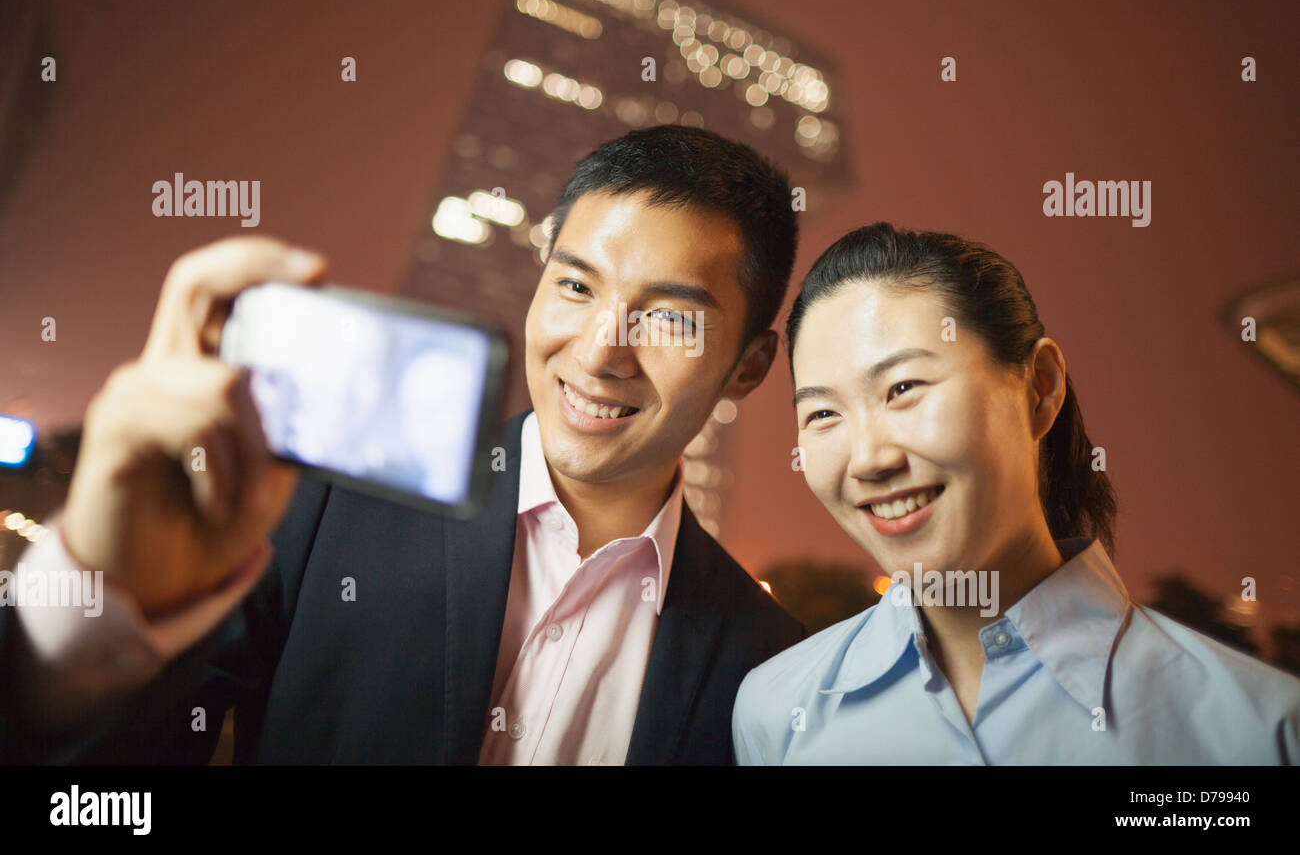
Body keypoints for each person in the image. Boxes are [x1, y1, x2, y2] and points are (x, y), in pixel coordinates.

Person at [0, 125, 805, 765]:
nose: (599, 350)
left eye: (669, 316)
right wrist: (97, 604)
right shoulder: (323, 507)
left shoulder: (768, 670)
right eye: (575, 284)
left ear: (751, 367)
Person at [732, 222, 1300, 764]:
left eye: (903, 388)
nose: (870, 459)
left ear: (1040, 388)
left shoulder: (1258, 729)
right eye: (823, 413)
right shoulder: (776, 715)